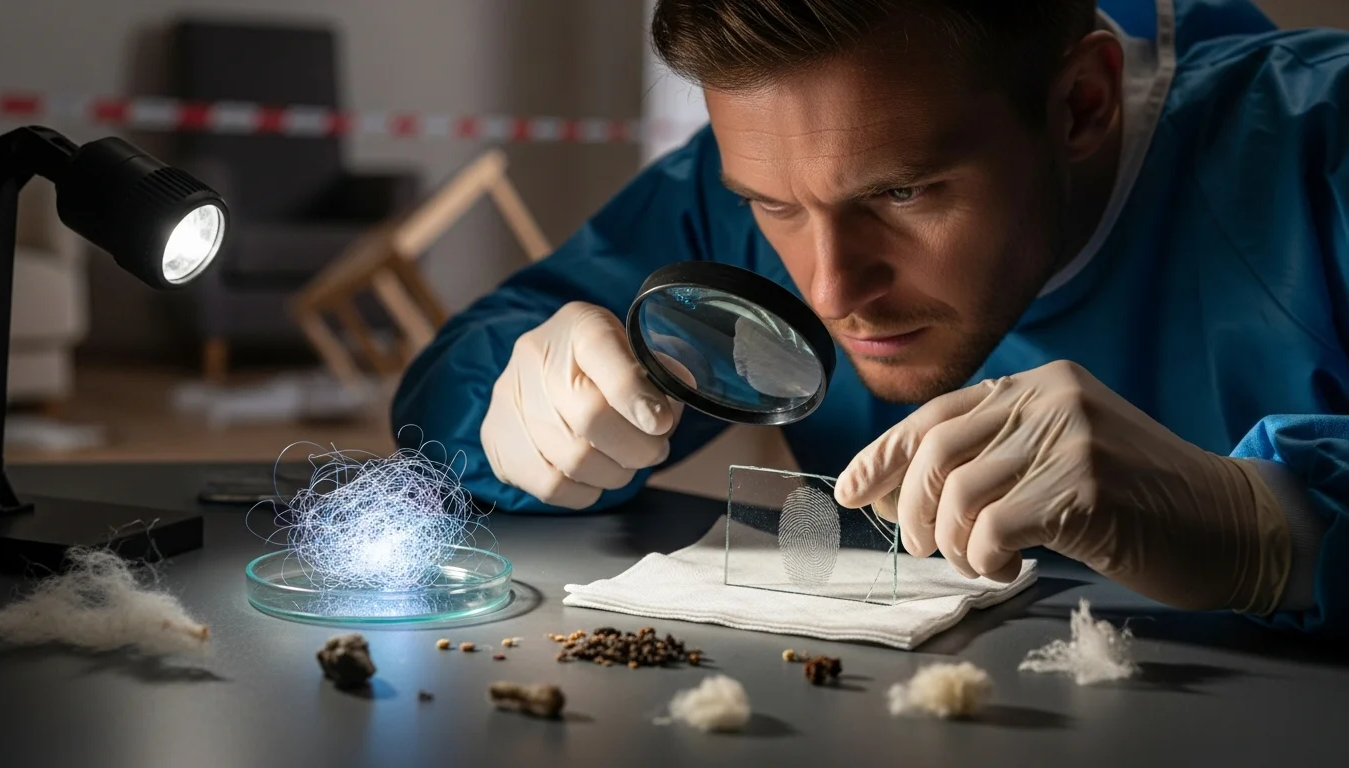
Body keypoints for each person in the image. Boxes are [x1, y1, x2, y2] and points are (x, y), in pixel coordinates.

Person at [392, 0, 1349, 638]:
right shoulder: (762, 181)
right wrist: (511, 407)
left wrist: (1271, 530)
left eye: (902, 192)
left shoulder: (1322, 149)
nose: (831, 291)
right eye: (773, 208)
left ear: (1082, 105)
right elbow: (452, 381)